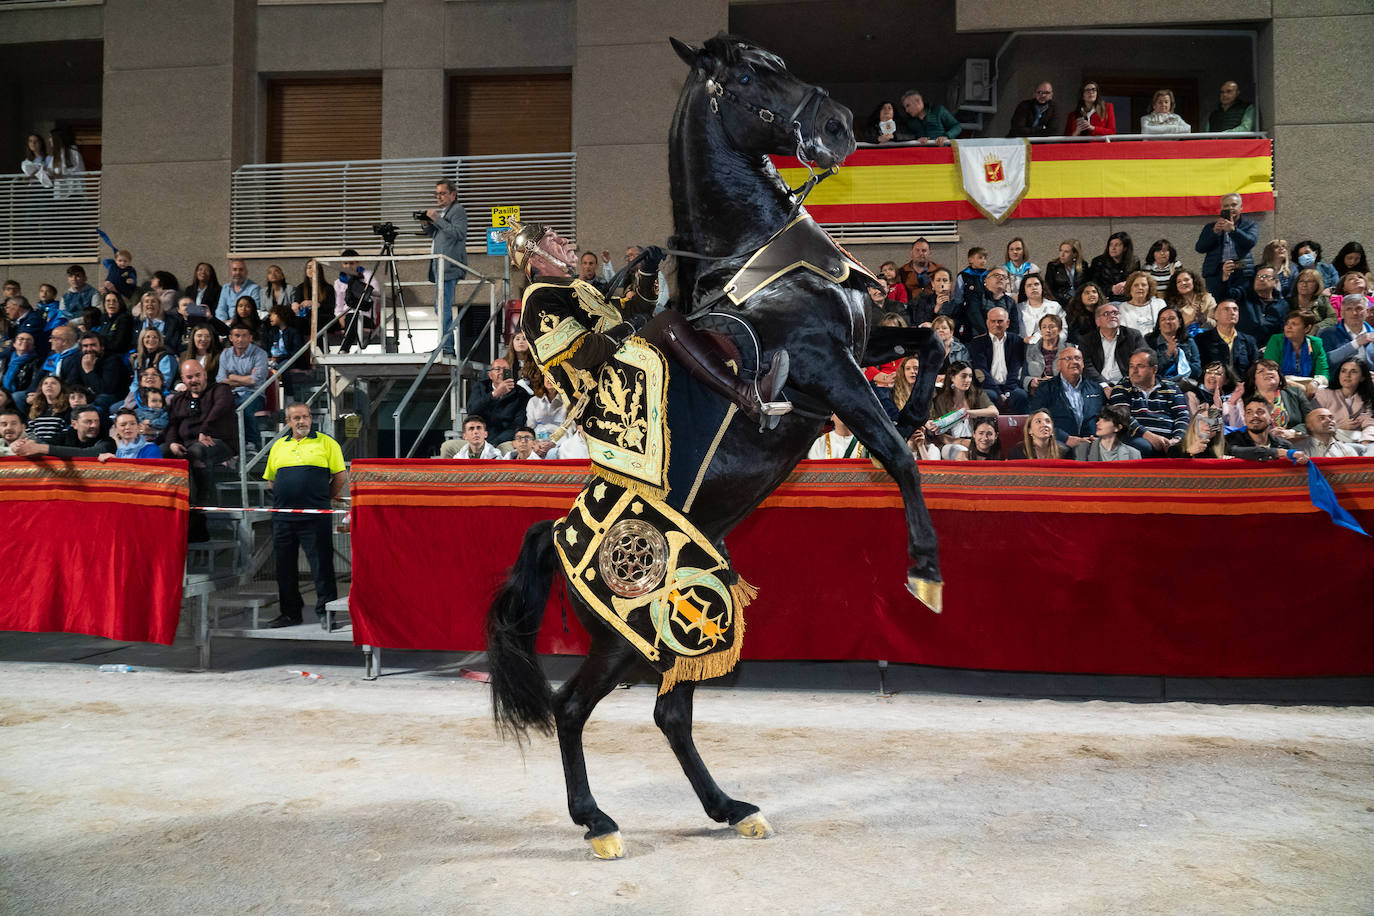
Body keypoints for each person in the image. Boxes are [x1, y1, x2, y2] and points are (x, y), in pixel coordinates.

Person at [510, 219, 791, 430]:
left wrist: (647, 270)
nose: (561, 240)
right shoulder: (539, 299)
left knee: (698, 319)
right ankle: (749, 398)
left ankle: (745, 383)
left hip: (620, 361)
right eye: (551, 240)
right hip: (601, 390)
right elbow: (584, 353)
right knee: (668, 322)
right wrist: (631, 327)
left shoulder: (577, 287)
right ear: (536, 259)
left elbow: (635, 309)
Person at [262, 402, 348, 629]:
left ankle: (326, 613)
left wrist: (321, 501)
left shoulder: (327, 443)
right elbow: (272, 480)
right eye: (297, 418)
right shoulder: (278, 446)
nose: (302, 421)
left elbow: (340, 477)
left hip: (315, 517)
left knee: (321, 566)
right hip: (283, 518)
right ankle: (290, 614)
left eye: (306, 417)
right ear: (288, 422)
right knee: (284, 567)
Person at [164, 359, 239, 538]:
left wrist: (205, 430)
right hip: (186, 445)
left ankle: (203, 505)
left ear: (205, 374)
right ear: (183, 379)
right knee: (161, 451)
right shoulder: (179, 399)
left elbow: (220, 409)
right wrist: (173, 443)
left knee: (197, 452)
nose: (194, 380)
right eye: (189, 377)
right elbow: (173, 424)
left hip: (218, 442)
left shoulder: (220, 390)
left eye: (198, 375)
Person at [1107, 348, 1189, 456]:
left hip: (1169, 440)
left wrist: (1177, 439)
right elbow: (1123, 417)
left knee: (1184, 449)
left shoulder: (1171, 387)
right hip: (1137, 437)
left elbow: (1182, 416)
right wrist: (1148, 436)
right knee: (1144, 447)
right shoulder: (1122, 388)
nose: (1134, 371)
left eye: (1140, 366)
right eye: (1131, 366)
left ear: (1154, 369)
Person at [423, 179, 468, 355]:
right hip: (440, 267)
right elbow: (435, 233)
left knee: (443, 307)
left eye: (442, 193)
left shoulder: (458, 210)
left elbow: (458, 233)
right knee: (439, 307)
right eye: (436, 194)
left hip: (449, 266)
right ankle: (446, 344)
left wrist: (437, 219)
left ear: (453, 194)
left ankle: (447, 347)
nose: (439, 197)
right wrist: (428, 221)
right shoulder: (445, 211)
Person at [1221, 359, 1313, 441]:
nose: (1268, 372)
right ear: (1254, 380)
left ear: (1279, 376)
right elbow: (1240, 428)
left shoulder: (1295, 393)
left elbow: (1312, 421)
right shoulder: (1245, 400)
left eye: (1272, 369)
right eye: (1261, 371)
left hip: (1296, 443)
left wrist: (1292, 432)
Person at [217, 320, 270, 451]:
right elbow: (220, 380)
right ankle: (225, 444)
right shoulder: (225, 354)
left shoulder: (260, 354)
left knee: (244, 407)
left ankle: (252, 443)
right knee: (218, 407)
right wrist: (245, 379)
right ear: (230, 337)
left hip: (255, 395)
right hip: (231, 394)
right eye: (237, 335)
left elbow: (255, 381)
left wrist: (232, 377)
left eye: (244, 335)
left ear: (250, 337)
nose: (240, 339)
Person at [926, 360, 997, 456]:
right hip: (951, 443)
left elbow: (994, 412)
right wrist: (960, 442)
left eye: (970, 376)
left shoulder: (977, 394)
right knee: (961, 452)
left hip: (977, 442)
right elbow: (940, 435)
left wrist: (966, 413)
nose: (968, 380)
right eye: (963, 376)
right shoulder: (940, 400)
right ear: (952, 377)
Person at [1195, 192, 1258, 297]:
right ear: (1221, 208)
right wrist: (1214, 232)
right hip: (1215, 272)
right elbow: (1200, 248)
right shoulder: (1211, 227)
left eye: (1234, 205)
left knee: (1241, 304)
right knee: (1217, 304)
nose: (1230, 208)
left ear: (1241, 207)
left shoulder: (1250, 225)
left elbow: (1250, 242)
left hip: (1241, 270)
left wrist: (1233, 231)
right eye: (1226, 206)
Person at [968, 306, 1028, 414]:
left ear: (1008, 323)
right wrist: (999, 392)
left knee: (1021, 395)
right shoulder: (977, 343)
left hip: (1011, 386)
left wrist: (1007, 391)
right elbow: (981, 372)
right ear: (987, 323)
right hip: (988, 387)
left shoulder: (1016, 341)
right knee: (989, 395)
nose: (996, 324)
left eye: (1000, 321)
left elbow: (1016, 368)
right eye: (993, 321)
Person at [467, 357, 532, 447]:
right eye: (497, 369)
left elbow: (517, 425)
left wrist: (494, 443)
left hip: (505, 439)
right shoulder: (481, 387)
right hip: (480, 436)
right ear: (490, 375)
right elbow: (471, 411)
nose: (501, 372)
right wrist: (494, 394)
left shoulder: (520, 393)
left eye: (505, 370)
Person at [1081, 301, 1145, 389]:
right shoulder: (1087, 340)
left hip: (1128, 384)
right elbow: (1086, 366)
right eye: (1106, 314)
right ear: (1097, 321)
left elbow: (1143, 358)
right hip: (1098, 385)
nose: (1112, 316)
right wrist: (1104, 385)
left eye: (1115, 313)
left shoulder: (1133, 335)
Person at [1225, 396, 1309, 463]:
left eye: (1260, 412)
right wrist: (1278, 453)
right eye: (1249, 412)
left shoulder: (1285, 445)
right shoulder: (1230, 439)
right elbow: (1236, 451)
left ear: (1271, 417)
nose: (1254, 416)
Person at [11, 403, 111, 458]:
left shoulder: (106, 439)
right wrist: (19, 444)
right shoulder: (67, 435)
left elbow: (90, 453)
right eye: (88, 422)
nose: (94, 425)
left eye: (96, 421)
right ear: (74, 424)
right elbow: (44, 443)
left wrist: (41, 448)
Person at [1195, 299, 1260, 380]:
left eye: (1235, 309)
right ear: (1215, 315)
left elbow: (1254, 369)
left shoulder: (1249, 341)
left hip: (1242, 388)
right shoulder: (1201, 339)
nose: (1232, 312)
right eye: (1226, 309)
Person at [1314, 358, 1374, 445]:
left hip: (1358, 440)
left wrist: (1366, 441)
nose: (1347, 375)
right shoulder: (1323, 394)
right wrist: (1339, 426)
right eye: (1343, 371)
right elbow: (1313, 424)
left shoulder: (1366, 396)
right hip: (1329, 441)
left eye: (1353, 372)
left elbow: (1369, 423)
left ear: (1362, 377)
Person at [333, 249, 383, 352]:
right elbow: (339, 304)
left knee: (353, 317)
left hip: (366, 316)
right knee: (348, 318)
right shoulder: (338, 282)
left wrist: (361, 288)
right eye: (345, 263)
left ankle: (344, 349)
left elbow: (376, 293)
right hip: (346, 317)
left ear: (358, 262)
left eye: (352, 263)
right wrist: (340, 317)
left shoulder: (367, 275)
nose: (348, 266)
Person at [1264, 309, 1329, 385]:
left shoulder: (1315, 344)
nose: (1288, 327)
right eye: (1287, 323)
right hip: (1281, 385)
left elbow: (1323, 373)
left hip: (1308, 387)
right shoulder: (1276, 340)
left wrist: (1316, 383)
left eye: (1294, 324)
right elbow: (1269, 370)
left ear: (1307, 328)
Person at [1228, 264, 1290, 343]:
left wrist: (1271, 347)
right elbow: (1225, 294)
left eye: (1265, 277)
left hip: (1267, 350)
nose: (1260, 279)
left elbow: (1282, 332)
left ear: (1276, 282)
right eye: (1258, 277)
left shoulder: (1282, 305)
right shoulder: (1244, 296)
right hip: (1242, 346)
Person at [72, 331, 128, 411]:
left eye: (93, 345)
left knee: (101, 399)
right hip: (90, 395)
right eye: (85, 346)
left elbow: (105, 390)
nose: (89, 349)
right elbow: (74, 383)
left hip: (112, 397)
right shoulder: (79, 359)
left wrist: (89, 371)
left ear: (102, 347)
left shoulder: (113, 360)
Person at [1146, 305, 1202, 383]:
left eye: (1172, 318)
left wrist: (1180, 358)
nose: (1167, 322)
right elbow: (1148, 370)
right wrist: (1168, 355)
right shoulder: (1149, 341)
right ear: (1159, 325)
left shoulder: (1189, 341)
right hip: (1158, 384)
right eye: (1163, 319)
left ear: (1180, 322)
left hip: (1184, 384)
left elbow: (1197, 372)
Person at [1320, 295, 1374, 367]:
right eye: (1349, 309)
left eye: (1359, 308)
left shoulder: (1372, 332)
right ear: (1342, 313)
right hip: (1338, 377)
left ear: (1367, 312)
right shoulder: (1327, 333)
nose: (1354, 313)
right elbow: (1325, 361)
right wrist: (1356, 343)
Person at [1024, 314, 1070, 397]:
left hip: (1062, 390)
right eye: (1044, 327)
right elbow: (1023, 375)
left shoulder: (1069, 348)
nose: (1047, 330)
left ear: (1059, 329)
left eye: (1051, 327)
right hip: (1037, 390)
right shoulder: (1030, 349)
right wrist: (1032, 381)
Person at [1076, 405, 1141, 461]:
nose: (1098, 423)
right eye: (1099, 420)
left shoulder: (1133, 455)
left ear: (1118, 427)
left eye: (1105, 420)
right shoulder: (1083, 449)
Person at [1164, 269, 1216, 334]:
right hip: (1185, 339)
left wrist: (1204, 319)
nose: (1183, 283)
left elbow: (1216, 324)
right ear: (1175, 286)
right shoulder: (1172, 304)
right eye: (1179, 282)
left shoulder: (1208, 298)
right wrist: (1190, 320)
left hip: (1209, 336)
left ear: (1193, 281)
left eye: (1186, 280)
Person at [1089, 232, 1138, 301]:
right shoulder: (1098, 262)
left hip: (1128, 300)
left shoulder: (1134, 261)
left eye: (1117, 245)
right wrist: (1111, 288)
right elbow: (1092, 286)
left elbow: (1137, 282)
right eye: (1111, 245)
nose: (1113, 248)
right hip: (1105, 299)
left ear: (1125, 248)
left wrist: (1127, 284)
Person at [99, 408, 164, 460]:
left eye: (132, 424)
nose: (128, 427)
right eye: (123, 425)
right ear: (116, 429)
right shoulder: (120, 451)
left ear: (138, 426)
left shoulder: (151, 449)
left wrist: (117, 462)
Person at [1297, 407, 1362, 457]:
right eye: (1322, 418)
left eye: (1331, 417)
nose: (1329, 420)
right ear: (1309, 426)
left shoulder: (1347, 450)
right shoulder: (1299, 450)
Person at [1288, 268, 1338, 332]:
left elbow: (1333, 318)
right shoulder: (1288, 302)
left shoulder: (1323, 300)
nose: (1304, 284)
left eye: (1310, 281)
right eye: (1301, 281)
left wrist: (1316, 327)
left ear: (1317, 285)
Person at [24, 375, 71, 443]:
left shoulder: (67, 408)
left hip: (58, 448)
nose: (49, 385)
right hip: (36, 447)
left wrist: (47, 445)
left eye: (53, 383)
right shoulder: (35, 408)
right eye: (45, 383)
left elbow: (67, 431)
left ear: (61, 387)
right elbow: (29, 430)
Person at [1119, 271, 1166, 337]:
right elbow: (1124, 334)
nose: (1140, 288)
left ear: (1149, 288)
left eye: (1144, 285)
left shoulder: (1159, 304)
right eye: (1136, 285)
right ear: (1130, 288)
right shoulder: (1123, 307)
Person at [1, 331, 40, 404]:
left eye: (28, 340)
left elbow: (34, 383)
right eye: (21, 339)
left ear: (33, 346)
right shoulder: (5, 360)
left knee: (16, 396)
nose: (25, 341)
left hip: (23, 394)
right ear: (14, 344)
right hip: (5, 392)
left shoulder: (37, 362)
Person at [1044, 239, 1085, 307]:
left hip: (1080, 303)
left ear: (1075, 254)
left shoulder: (1083, 266)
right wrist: (1069, 299)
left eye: (1066, 252)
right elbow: (1049, 289)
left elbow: (1085, 286)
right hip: (1060, 303)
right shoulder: (1053, 266)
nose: (1062, 254)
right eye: (1061, 250)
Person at [94, 290, 134, 356]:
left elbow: (118, 345)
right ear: (104, 304)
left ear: (120, 303)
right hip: (102, 352)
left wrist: (99, 343)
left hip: (116, 355)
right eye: (108, 301)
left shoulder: (124, 319)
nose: (111, 303)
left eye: (114, 301)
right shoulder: (103, 318)